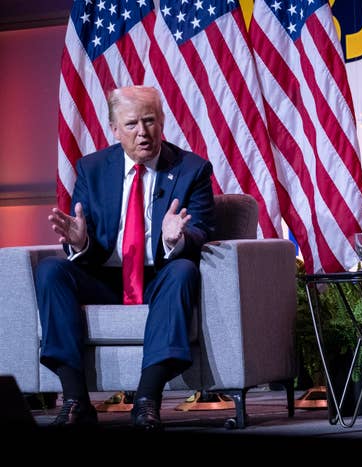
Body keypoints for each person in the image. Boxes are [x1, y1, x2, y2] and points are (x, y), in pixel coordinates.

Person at [36, 85, 215, 431]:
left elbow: (203, 232)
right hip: (103, 277)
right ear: (114, 129)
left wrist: (175, 239)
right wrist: (81, 241)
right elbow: (81, 226)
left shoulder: (193, 170)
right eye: (131, 124)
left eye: (150, 121)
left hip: (158, 276)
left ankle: (148, 400)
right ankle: (75, 400)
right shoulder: (92, 168)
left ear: (162, 122)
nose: (143, 132)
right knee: (51, 271)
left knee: (182, 271)